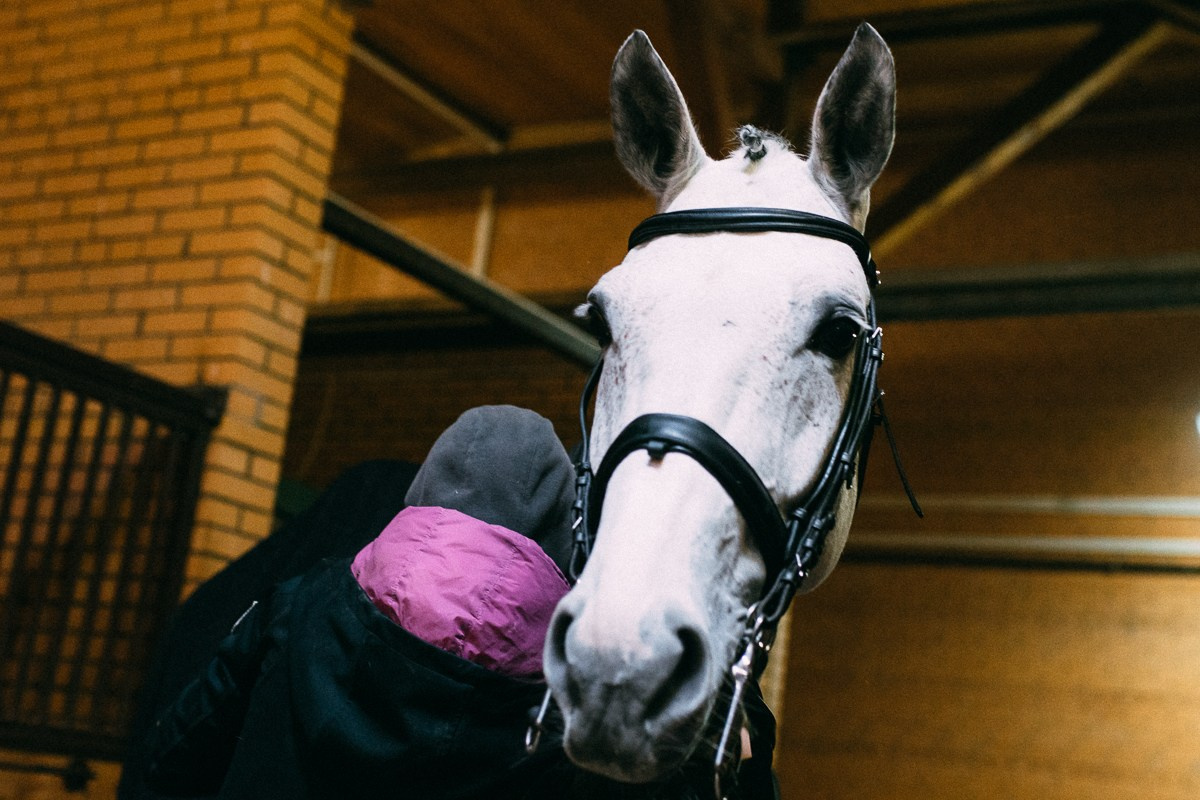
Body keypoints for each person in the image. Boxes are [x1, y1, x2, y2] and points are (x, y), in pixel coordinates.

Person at [143, 405, 777, 799]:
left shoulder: (297, 608)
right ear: (557, 536)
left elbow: (172, 758)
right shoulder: (558, 713)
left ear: (422, 491)